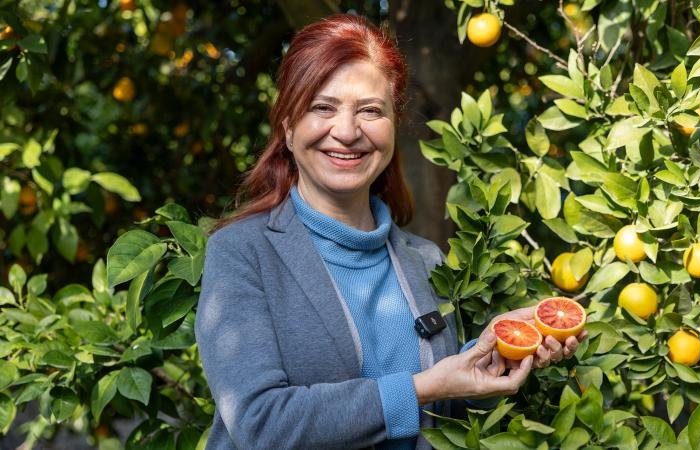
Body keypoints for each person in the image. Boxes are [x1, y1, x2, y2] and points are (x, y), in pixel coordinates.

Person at [194, 14, 586, 450]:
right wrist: (422, 388)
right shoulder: (242, 252)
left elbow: (439, 414)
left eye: (370, 110)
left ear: (393, 127)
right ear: (288, 128)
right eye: (323, 107)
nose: (346, 132)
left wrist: (491, 354)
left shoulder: (424, 259)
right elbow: (260, 424)